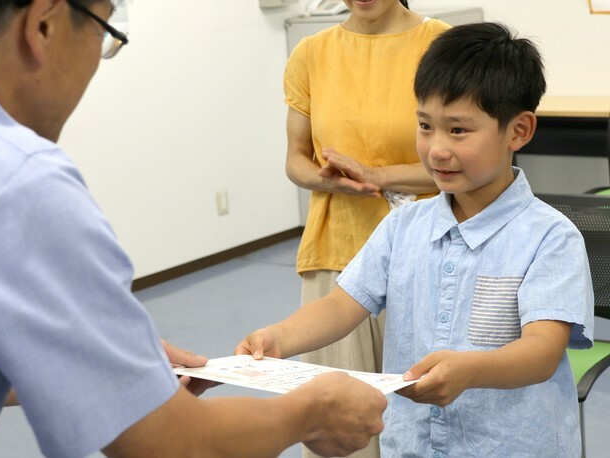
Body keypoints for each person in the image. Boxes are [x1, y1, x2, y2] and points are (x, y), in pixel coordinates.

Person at [0, 1, 387, 457]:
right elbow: (175, 443)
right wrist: (311, 411)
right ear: (43, 25)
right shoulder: (21, 183)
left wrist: (107, 361)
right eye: (103, 32)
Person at [238, 22, 595, 457]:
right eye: (425, 126)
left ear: (518, 131)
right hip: (414, 445)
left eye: (458, 130)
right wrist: (281, 338)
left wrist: (469, 369)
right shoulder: (403, 225)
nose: (436, 149)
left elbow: (541, 351)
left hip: (509, 446)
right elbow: (341, 304)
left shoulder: (550, 238)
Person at [285, 2, 449, 453]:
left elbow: (465, 158)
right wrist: (328, 179)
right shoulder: (311, 52)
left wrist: (378, 176)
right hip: (335, 250)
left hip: (426, 254)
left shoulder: (439, 44)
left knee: (423, 419)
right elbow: (295, 159)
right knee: (336, 425)